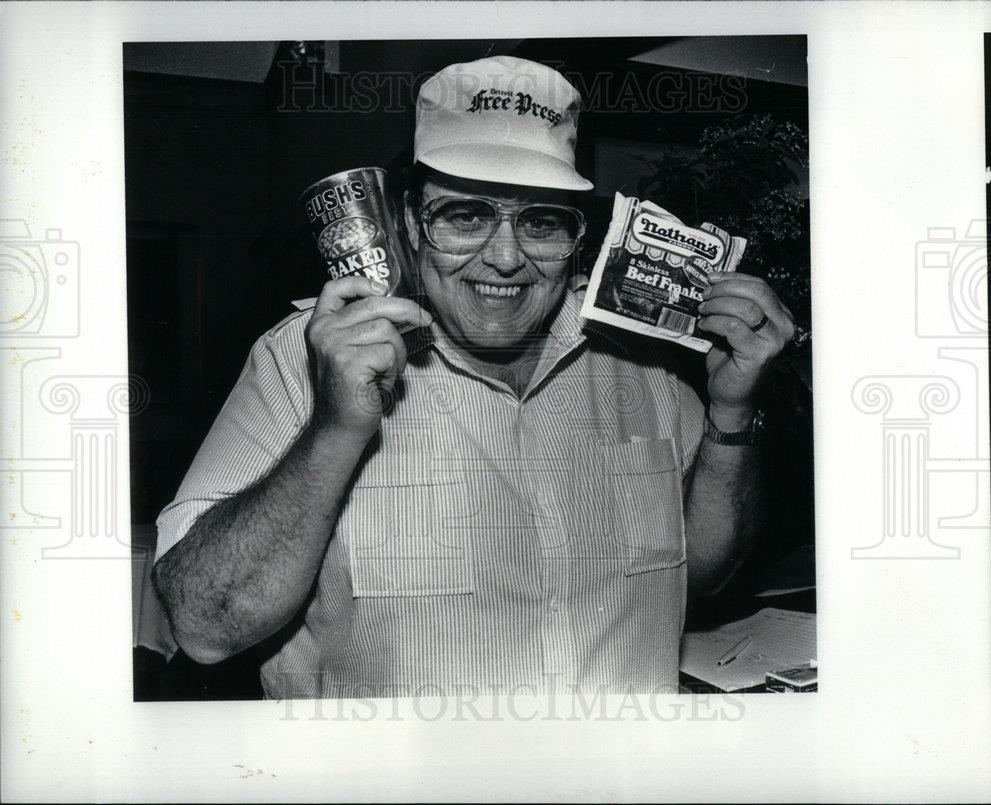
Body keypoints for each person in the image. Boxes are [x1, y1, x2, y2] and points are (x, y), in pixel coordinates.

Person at [152, 56, 795, 698]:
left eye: (541, 221)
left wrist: (732, 415)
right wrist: (333, 429)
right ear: (408, 223)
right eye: (464, 216)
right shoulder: (301, 358)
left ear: (578, 235)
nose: (506, 258)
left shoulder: (643, 355)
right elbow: (206, 626)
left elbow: (704, 573)